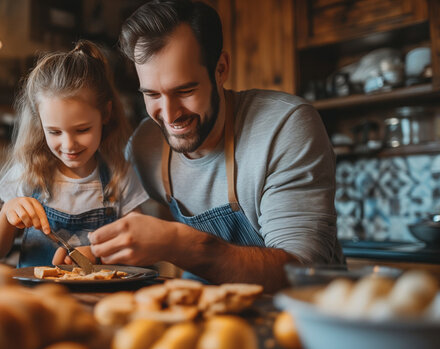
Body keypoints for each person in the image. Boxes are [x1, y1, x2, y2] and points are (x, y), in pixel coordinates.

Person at [88, 0, 344, 291]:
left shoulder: (285, 127)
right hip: (204, 312)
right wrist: (93, 251)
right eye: (152, 95)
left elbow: (304, 272)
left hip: (298, 322)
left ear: (221, 69)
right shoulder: (144, 147)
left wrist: (179, 244)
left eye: (185, 90)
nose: (169, 115)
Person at [0, 40, 149, 267]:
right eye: (54, 132)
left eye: (82, 130)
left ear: (106, 114)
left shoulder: (119, 174)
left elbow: (140, 243)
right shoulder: (27, 173)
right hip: (38, 299)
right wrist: (7, 213)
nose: (69, 144)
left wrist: (97, 253)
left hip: (99, 299)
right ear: (39, 124)